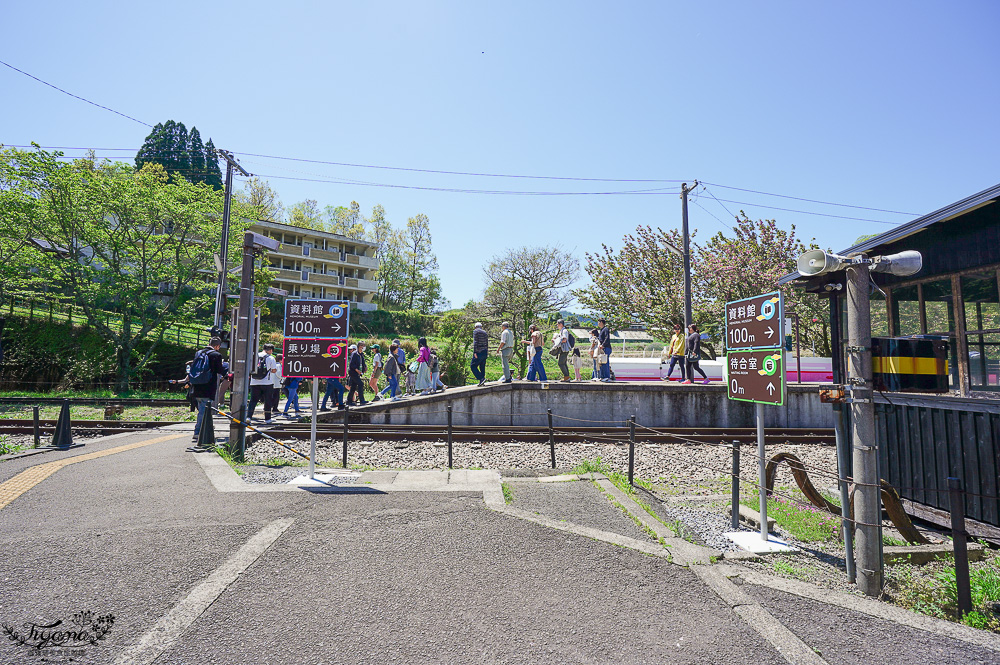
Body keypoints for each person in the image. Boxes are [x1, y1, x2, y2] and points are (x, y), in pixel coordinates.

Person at [188, 337, 224, 446]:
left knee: (202, 409)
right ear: (217, 346)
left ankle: (205, 430)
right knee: (203, 410)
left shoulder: (199, 353)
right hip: (207, 385)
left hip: (196, 385)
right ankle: (198, 432)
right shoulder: (216, 355)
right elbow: (219, 370)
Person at [247, 342, 278, 423]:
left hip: (254, 382)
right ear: (270, 350)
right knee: (268, 401)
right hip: (267, 383)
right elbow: (274, 370)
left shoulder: (255, 356)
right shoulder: (271, 358)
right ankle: (267, 419)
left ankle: (248, 417)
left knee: (253, 401)